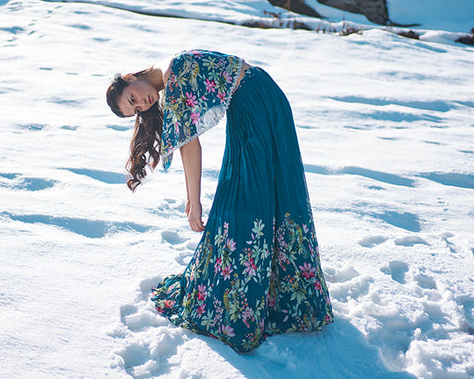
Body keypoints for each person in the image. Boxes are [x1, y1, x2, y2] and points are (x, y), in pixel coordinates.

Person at [106, 49, 333, 353]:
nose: (140, 105)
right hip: (260, 96)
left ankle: (248, 299)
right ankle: (277, 292)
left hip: (255, 103)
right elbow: (189, 141)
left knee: (245, 196)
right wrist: (192, 199)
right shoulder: (167, 75)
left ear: (130, 78)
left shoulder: (171, 74)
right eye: (133, 110)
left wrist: (194, 200)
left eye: (132, 98)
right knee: (264, 191)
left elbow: (190, 146)